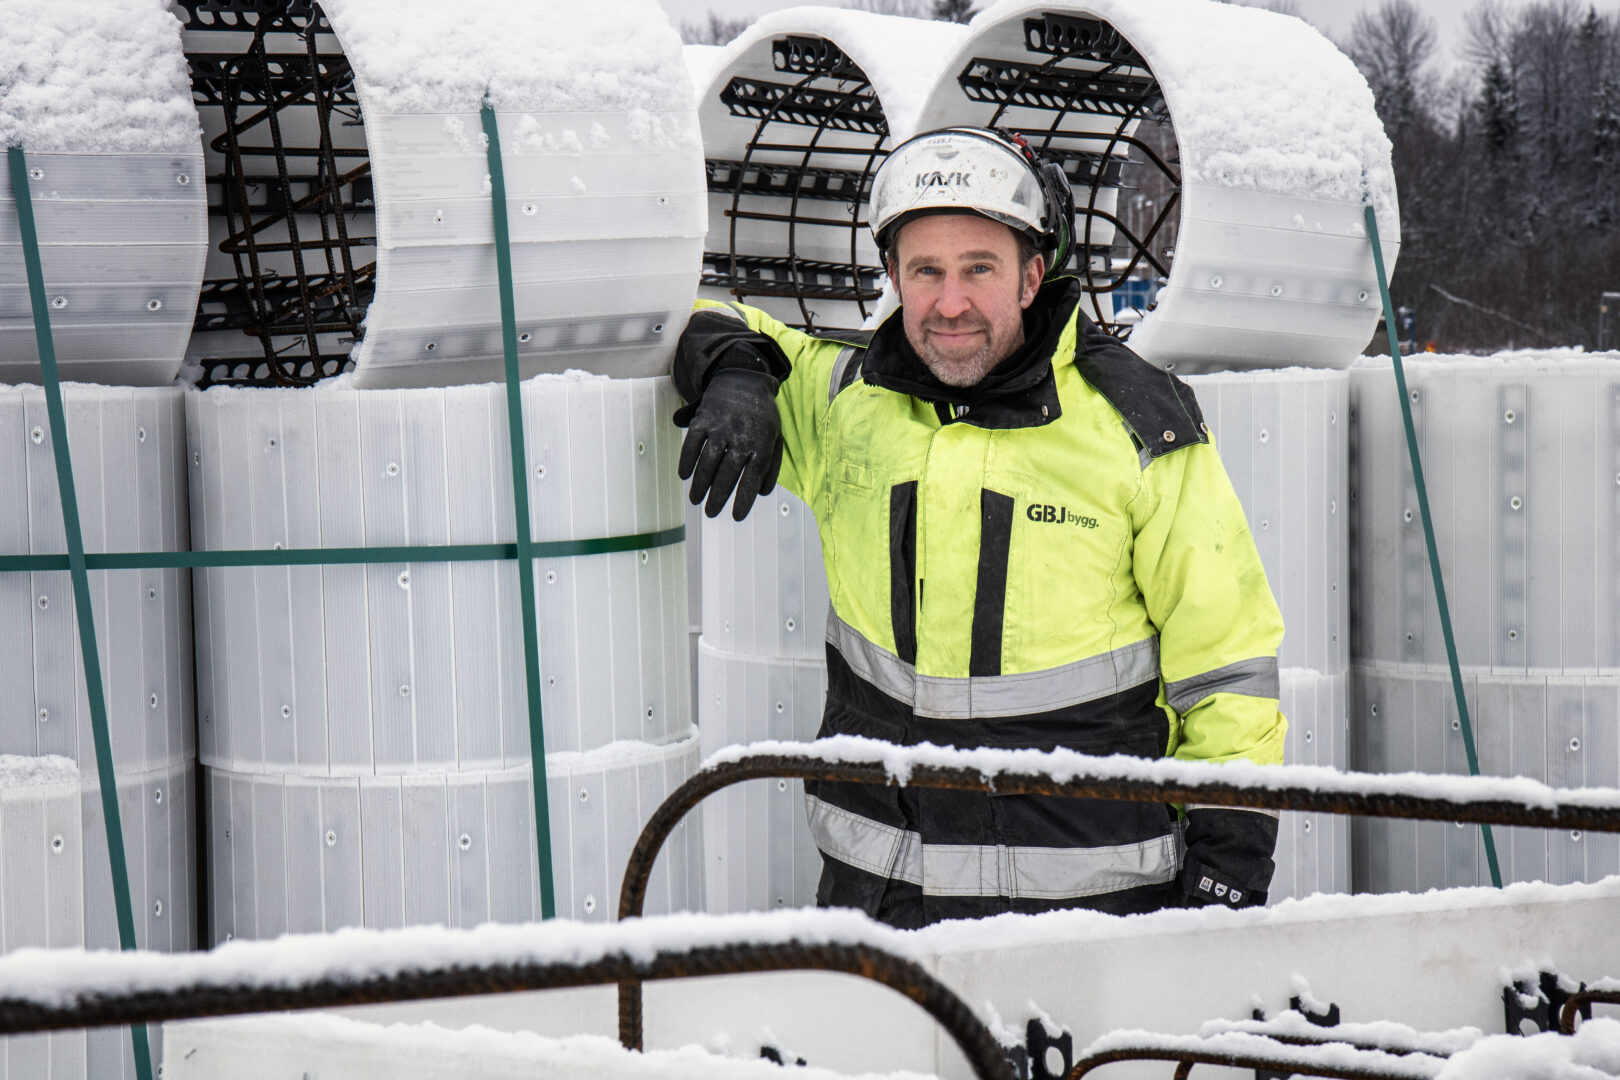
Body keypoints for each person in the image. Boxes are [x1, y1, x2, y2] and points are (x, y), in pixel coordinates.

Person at [672, 127, 1286, 927]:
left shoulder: (1139, 426)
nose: (950, 303)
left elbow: (1227, 665)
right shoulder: (846, 404)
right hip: (883, 904)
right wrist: (735, 370)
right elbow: (700, 312)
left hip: (1088, 914)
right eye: (925, 271)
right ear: (893, 275)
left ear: (1032, 276)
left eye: (979, 269)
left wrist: (1229, 861)